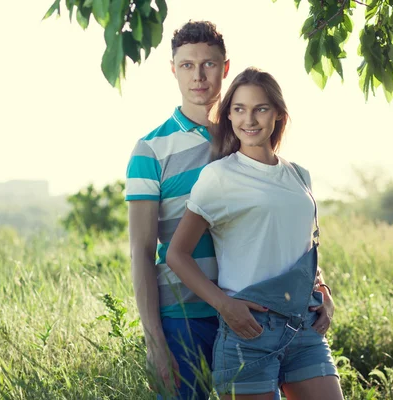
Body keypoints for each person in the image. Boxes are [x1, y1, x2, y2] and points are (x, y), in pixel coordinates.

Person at [166, 67, 343, 399]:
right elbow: (177, 255)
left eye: (260, 108)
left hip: (304, 329)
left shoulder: (299, 176)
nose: (249, 119)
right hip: (249, 332)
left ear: (277, 114)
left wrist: (324, 291)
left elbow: (300, 245)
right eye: (239, 109)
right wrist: (225, 306)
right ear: (229, 115)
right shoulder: (218, 176)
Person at [125, 21, 230, 399]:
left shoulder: (246, 139)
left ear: (225, 68)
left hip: (249, 313)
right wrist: (155, 342)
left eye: (209, 64)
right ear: (173, 70)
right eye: (187, 65)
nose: (199, 76)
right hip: (181, 320)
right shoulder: (150, 150)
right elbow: (141, 249)